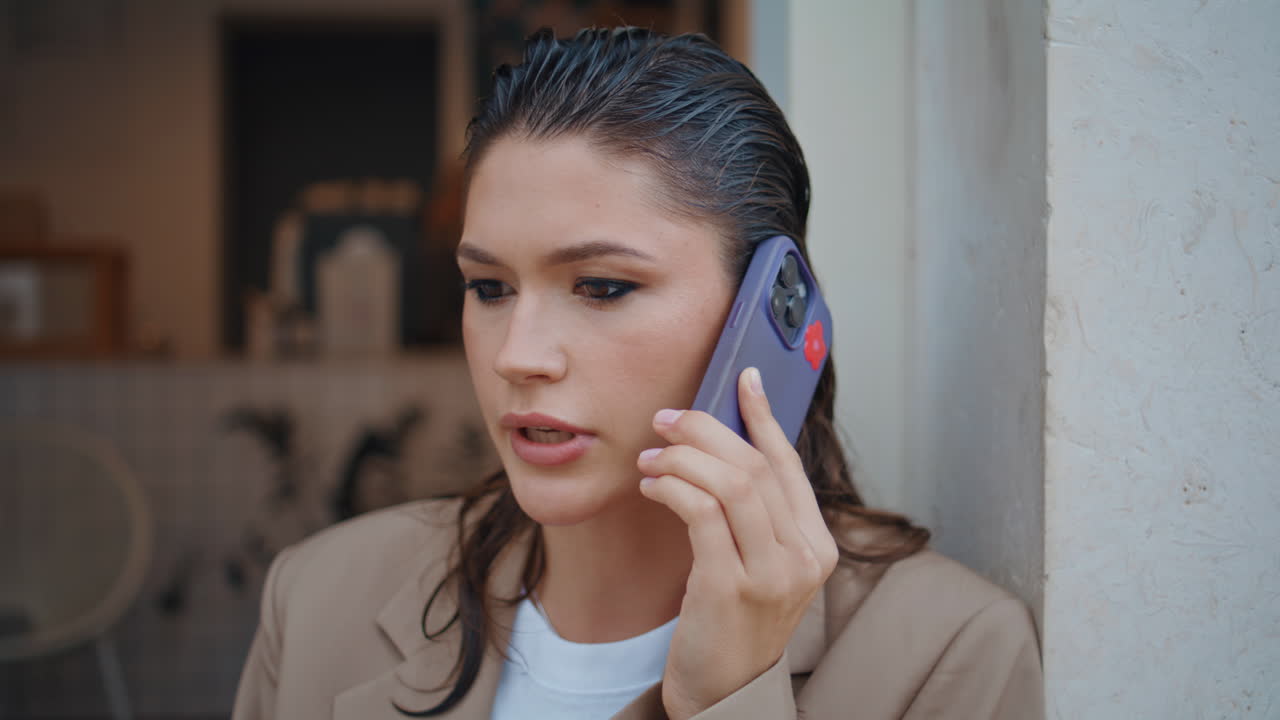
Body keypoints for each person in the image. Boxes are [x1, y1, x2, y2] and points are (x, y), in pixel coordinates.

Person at [232, 27, 1043, 720]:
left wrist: (734, 698)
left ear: (767, 316)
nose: (518, 354)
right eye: (489, 287)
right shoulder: (315, 598)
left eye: (603, 287)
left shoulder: (949, 654)